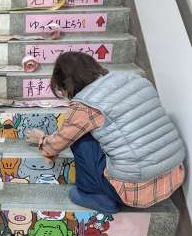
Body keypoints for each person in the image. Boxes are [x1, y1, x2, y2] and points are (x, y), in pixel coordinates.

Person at [27, 52, 185, 213]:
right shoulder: (137, 80)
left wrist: (41, 139)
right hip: (173, 175)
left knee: (80, 138)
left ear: (67, 84)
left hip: (134, 190)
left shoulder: (85, 105)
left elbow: (55, 145)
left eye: (63, 91)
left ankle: (94, 194)